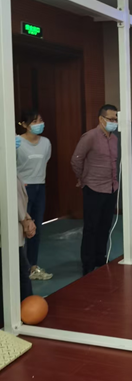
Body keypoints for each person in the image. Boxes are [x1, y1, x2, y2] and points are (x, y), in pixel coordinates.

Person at [71, 105, 119, 276]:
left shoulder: (114, 139)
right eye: (111, 119)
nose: (114, 122)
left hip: (111, 187)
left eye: (116, 119)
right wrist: (83, 178)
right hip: (93, 187)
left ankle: (100, 257)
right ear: (101, 119)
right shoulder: (90, 136)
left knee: (105, 225)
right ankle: (88, 262)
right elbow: (76, 159)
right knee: (91, 227)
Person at [0, 142, 35, 328]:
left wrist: (26, 218)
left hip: (15, 228)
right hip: (8, 232)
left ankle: (22, 309)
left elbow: (18, 199)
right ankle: (22, 311)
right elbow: (9, 199)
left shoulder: (9, 166)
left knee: (20, 270)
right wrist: (25, 220)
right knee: (19, 272)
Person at [16, 109, 53, 281]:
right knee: (22, 229)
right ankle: (21, 268)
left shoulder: (46, 142)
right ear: (24, 125)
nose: (39, 124)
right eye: (34, 121)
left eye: (40, 120)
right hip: (23, 189)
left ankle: (33, 266)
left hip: (40, 186)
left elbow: (45, 161)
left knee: (36, 228)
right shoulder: (17, 142)